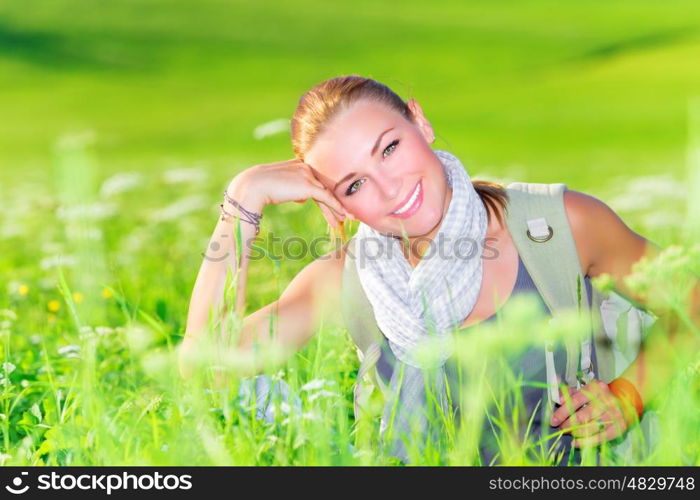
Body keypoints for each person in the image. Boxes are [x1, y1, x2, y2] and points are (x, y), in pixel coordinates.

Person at [179, 75, 700, 465]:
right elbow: (203, 370)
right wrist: (243, 200)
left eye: (390, 148)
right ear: (335, 204)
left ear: (420, 123)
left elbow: (691, 298)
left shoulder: (559, 225)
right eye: (353, 185)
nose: (389, 189)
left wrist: (630, 395)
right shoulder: (345, 279)